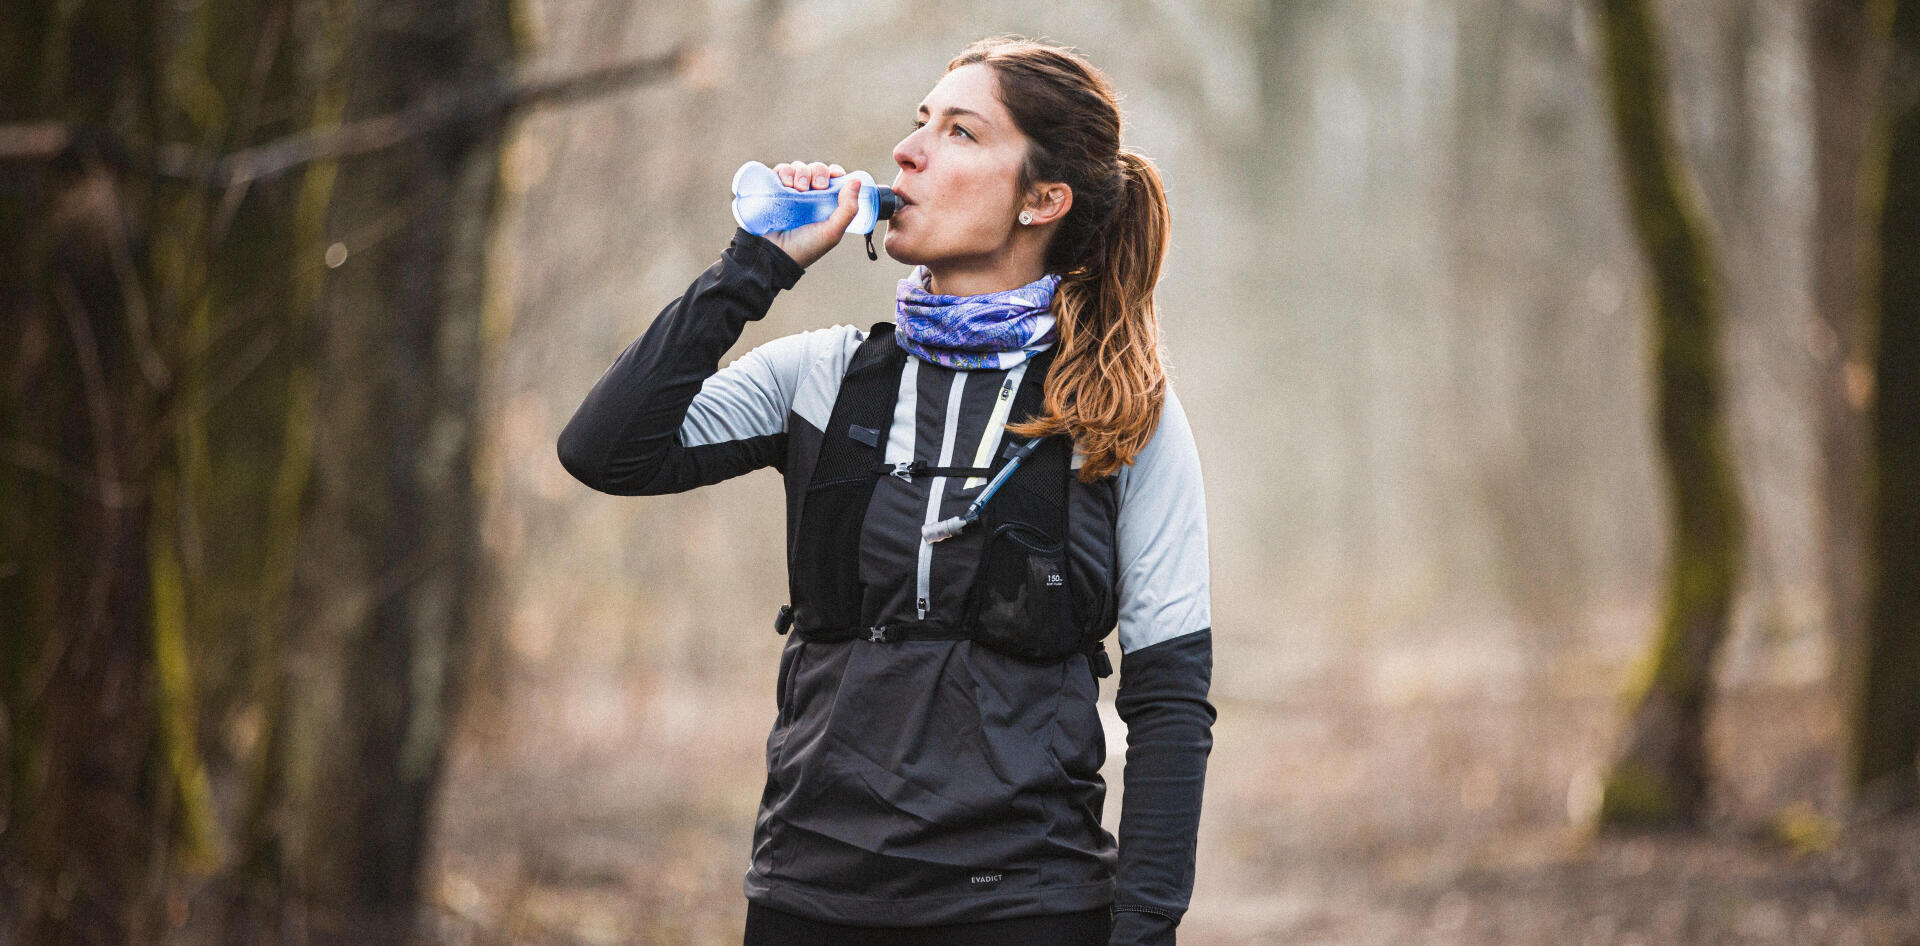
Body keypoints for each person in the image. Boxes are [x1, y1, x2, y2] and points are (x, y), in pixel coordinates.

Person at [557, 35, 1215, 946]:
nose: (908, 150)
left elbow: (1171, 701)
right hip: (808, 895)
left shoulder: (1118, 412)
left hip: (1026, 906)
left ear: (1042, 200)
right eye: (917, 123)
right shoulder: (820, 377)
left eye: (960, 132)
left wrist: (1144, 933)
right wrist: (757, 265)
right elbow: (605, 450)